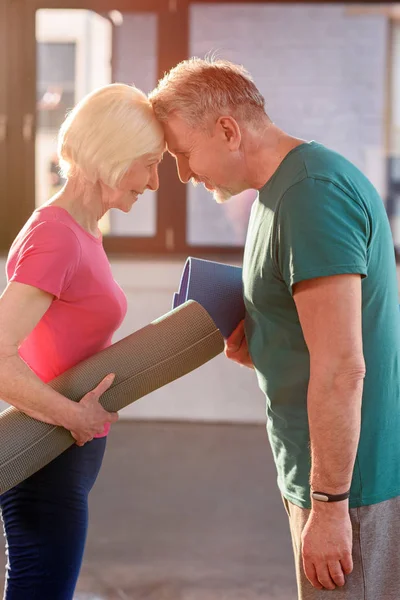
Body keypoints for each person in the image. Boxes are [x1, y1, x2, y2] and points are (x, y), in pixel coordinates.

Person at [149, 58, 400, 599]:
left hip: (349, 491)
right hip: (322, 479)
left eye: (182, 155)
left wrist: (331, 508)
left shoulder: (311, 196)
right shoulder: (276, 195)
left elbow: (342, 369)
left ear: (227, 130)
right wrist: (261, 340)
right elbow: (315, 336)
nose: (184, 175)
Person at [0, 83, 164, 599]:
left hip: (65, 455)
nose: (155, 182)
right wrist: (73, 417)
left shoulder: (82, 229)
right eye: (150, 163)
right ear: (114, 156)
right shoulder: (55, 235)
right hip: (45, 451)